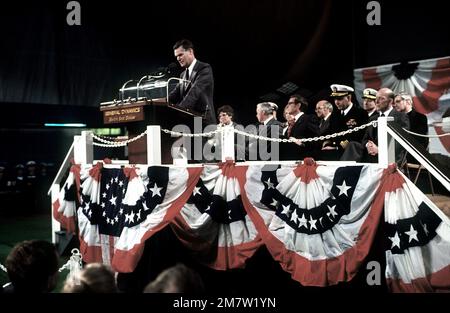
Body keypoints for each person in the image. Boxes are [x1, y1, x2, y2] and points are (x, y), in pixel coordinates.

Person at [341, 87, 410, 163]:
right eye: (376, 98)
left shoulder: (401, 117)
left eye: (381, 99)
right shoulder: (373, 118)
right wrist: (368, 145)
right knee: (353, 146)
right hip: (370, 156)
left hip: (390, 158)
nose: (377, 101)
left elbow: (402, 142)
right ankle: (342, 170)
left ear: (390, 101)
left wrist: (380, 150)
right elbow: (365, 139)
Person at [168, 39, 216, 125]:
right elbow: (174, 95)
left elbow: (194, 92)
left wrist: (180, 109)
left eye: (180, 55)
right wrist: (160, 103)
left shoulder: (204, 68)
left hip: (204, 122)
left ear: (190, 51)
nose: (178, 59)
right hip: (189, 124)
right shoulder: (182, 75)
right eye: (176, 56)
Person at [281, 95, 319, 161]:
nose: (287, 106)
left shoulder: (309, 118)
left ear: (298, 105)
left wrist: (301, 143)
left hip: (303, 158)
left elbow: (316, 138)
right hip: (287, 158)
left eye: (290, 103)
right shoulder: (290, 124)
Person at [330, 84, 369, 148]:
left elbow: (362, 135)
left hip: (351, 150)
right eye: (335, 99)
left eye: (339, 99)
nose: (336, 102)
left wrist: (341, 145)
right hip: (334, 150)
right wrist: (327, 143)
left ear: (348, 98)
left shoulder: (361, 113)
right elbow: (330, 132)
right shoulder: (334, 114)